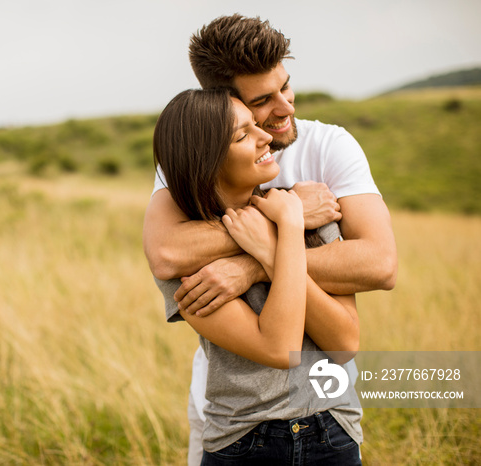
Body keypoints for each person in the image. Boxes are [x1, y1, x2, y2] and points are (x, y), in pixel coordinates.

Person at [142, 15, 397, 466]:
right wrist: (282, 217)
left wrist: (261, 257)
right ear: (221, 106)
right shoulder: (191, 158)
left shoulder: (329, 147)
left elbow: (379, 265)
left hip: (328, 412)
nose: (285, 109)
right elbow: (166, 254)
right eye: (262, 101)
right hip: (239, 418)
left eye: (286, 86)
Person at [152, 87, 362, 465]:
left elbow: (345, 344)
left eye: (255, 126)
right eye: (243, 134)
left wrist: (272, 247)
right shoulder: (192, 260)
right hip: (244, 441)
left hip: (333, 433)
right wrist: (283, 231)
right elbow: (279, 348)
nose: (266, 136)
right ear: (207, 161)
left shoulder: (303, 212)